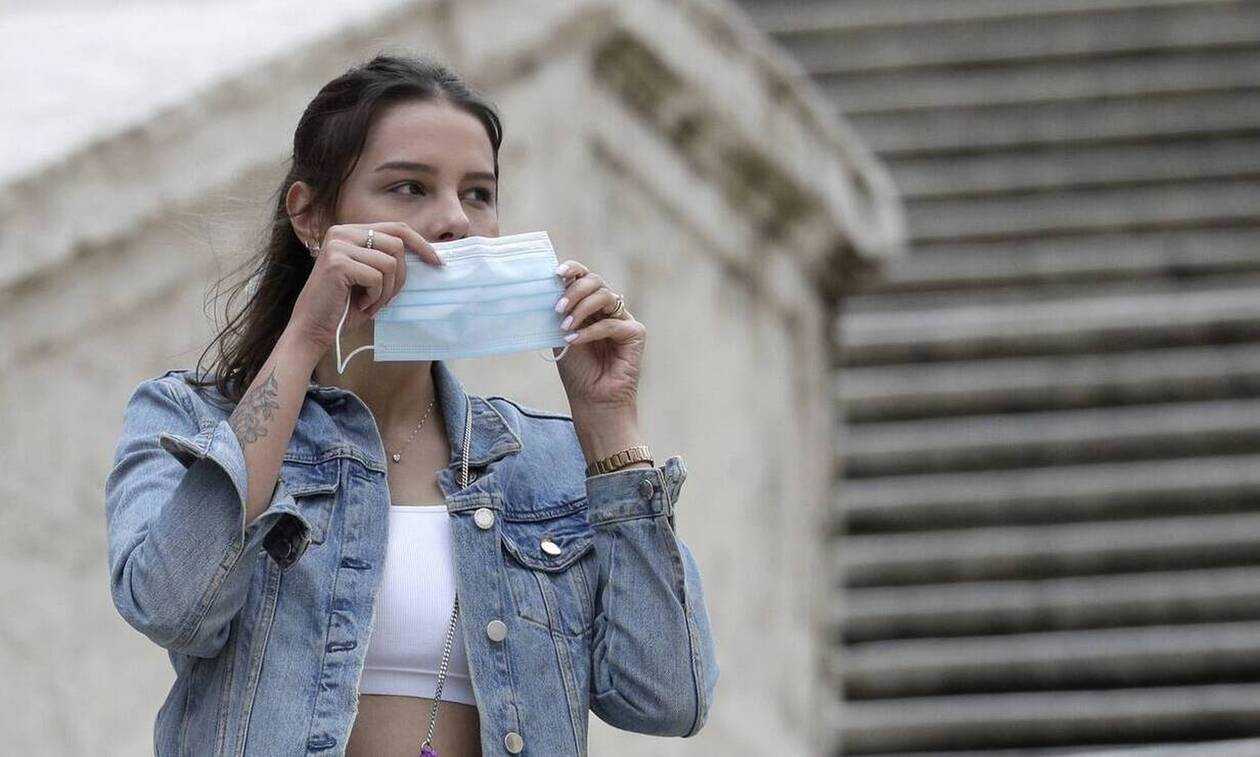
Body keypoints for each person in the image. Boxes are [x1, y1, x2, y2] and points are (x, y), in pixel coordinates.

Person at [104, 52, 718, 756]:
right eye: (409, 187)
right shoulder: (191, 419)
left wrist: (610, 425)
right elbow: (171, 607)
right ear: (309, 216)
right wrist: (304, 337)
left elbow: (667, 698)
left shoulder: (543, 460)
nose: (454, 220)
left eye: (479, 194)